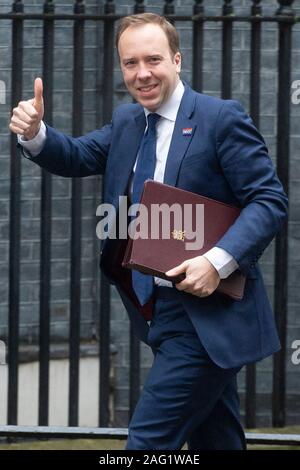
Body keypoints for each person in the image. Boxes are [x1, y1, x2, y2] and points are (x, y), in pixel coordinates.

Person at [10, 13, 287, 450]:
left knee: (146, 442)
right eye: (130, 63)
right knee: (217, 441)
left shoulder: (219, 119)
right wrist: (36, 133)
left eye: (153, 60)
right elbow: (78, 155)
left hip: (208, 316)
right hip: (157, 310)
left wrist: (216, 262)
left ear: (177, 60)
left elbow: (269, 201)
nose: (142, 74)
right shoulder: (128, 122)